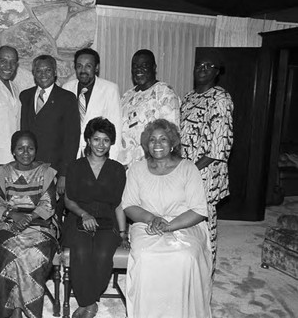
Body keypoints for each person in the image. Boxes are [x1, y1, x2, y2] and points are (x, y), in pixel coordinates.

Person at [122, 119, 212, 318]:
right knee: (145, 257)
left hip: (185, 223)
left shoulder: (188, 168)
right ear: (146, 145)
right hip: (147, 223)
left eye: (163, 139)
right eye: (152, 140)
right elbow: (129, 205)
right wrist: (152, 218)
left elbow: (198, 210)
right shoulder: (136, 170)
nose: (157, 144)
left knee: (185, 257)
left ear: (172, 143)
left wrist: (170, 226)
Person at [0, 130, 59, 318]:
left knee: (32, 255)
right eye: (20, 148)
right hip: (7, 224)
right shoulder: (2, 172)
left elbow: (48, 204)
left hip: (40, 225)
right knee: (8, 253)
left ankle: (22, 310)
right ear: (13, 151)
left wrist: (27, 218)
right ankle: (14, 311)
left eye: (30, 148)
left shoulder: (46, 172)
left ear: (36, 150)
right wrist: (14, 215)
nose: (25, 152)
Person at [62, 117, 127, 318]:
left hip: (108, 221)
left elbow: (118, 204)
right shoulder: (75, 166)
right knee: (81, 252)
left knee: (101, 255)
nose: (101, 145)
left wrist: (123, 233)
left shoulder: (117, 169)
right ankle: (87, 303)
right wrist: (84, 214)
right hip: (79, 217)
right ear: (88, 140)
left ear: (111, 143)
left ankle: (88, 299)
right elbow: (68, 201)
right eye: (96, 139)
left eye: (106, 140)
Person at [180, 50, 234, 269]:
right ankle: (188, 269)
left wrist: (190, 170)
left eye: (208, 66)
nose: (202, 69)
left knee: (204, 223)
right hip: (185, 170)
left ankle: (205, 272)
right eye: (198, 65)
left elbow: (218, 148)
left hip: (205, 173)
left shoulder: (221, 99)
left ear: (217, 72)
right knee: (186, 221)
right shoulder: (189, 97)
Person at [20, 54, 80, 202]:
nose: (43, 74)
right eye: (39, 71)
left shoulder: (67, 98)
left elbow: (72, 139)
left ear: (55, 72)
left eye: (48, 70)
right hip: (28, 168)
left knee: (51, 215)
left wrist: (64, 175)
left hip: (54, 170)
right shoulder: (25, 96)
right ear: (33, 73)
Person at [118, 49, 180, 167]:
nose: (138, 69)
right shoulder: (127, 96)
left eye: (144, 65)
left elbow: (171, 135)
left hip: (150, 166)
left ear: (154, 67)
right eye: (135, 66)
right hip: (123, 166)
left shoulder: (164, 92)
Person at [62, 48, 122, 160]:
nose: (83, 70)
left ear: (96, 68)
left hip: (97, 155)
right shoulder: (67, 88)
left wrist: (111, 161)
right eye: (79, 66)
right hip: (71, 155)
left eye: (88, 66)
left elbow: (116, 129)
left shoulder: (110, 89)